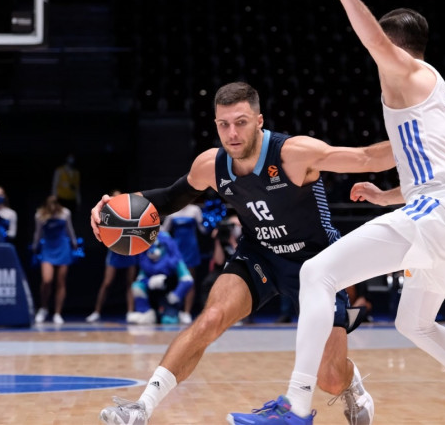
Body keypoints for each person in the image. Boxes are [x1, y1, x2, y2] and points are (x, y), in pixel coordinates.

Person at [228, 0, 445, 425]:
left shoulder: (407, 72)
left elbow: (373, 38)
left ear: (393, 48)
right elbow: (439, 169)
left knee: (316, 273)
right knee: (415, 323)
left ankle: (295, 407)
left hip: (443, 210)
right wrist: (385, 196)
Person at [92, 81, 393, 425]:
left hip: (317, 263)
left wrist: (425, 139)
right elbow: (169, 198)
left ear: (259, 121)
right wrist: (112, 208)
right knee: (211, 318)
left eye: (241, 122)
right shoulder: (211, 165)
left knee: (330, 379)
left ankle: (350, 383)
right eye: (223, 124)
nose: (232, 133)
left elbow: (367, 157)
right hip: (259, 255)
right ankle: (141, 407)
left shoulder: (293, 154)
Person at [87, 190, 139, 323]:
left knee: (130, 283)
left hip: (128, 249)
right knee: (107, 283)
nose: (116, 198)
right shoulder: (106, 214)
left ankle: (130, 312)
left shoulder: (129, 212)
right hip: (114, 251)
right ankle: (96, 312)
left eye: (119, 196)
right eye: (114, 196)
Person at [128, 231, 195, 325]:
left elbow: (187, 280)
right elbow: (140, 280)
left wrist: (176, 295)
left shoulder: (175, 261)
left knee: (168, 320)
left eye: (158, 246)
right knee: (136, 286)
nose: (153, 251)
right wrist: (149, 282)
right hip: (152, 296)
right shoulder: (145, 263)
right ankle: (145, 313)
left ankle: (179, 314)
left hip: (168, 297)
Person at [32, 195, 78, 325]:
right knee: (47, 280)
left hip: (62, 247)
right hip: (48, 248)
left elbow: (69, 229)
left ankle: (58, 313)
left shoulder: (65, 213)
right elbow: (38, 232)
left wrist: (74, 242)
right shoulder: (40, 215)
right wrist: (35, 246)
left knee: (60, 282)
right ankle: (44, 308)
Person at [160, 204, 208, 324]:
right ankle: (174, 310)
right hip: (176, 250)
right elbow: (164, 231)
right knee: (176, 280)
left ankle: (187, 312)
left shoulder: (195, 209)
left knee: (190, 280)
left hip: (191, 249)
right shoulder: (172, 209)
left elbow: (203, 229)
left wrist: (209, 221)